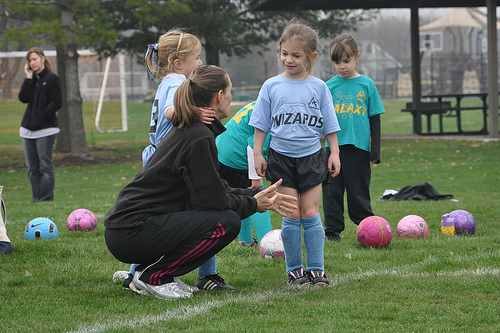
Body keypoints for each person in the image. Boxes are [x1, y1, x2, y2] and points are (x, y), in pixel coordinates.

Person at [105, 65, 298, 300]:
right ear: (219, 96)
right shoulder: (198, 137)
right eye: (229, 91)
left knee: (223, 216)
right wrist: (253, 205)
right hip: (131, 231)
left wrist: (252, 194)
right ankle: (154, 276)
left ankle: (159, 274)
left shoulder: (195, 131)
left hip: (126, 229)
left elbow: (212, 188)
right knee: (226, 222)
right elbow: (212, 201)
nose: (230, 96)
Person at [118, 29, 224, 293]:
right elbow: (169, 110)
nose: (200, 63)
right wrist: (194, 111)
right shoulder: (177, 83)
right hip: (169, 162)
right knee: (203, 212)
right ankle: (205, 274)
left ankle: (135, 274)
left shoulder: (167, 81)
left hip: (159, 156)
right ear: (178, 62)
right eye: (196, 58)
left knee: (159, 218)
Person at [249, 19, 341, 286]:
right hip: (281, 158)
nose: (288, 59)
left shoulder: (319, 87)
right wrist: (258, 153)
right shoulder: (271, 86)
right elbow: (260, 125)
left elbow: (330, 125)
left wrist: (334, 152)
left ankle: (316, 269)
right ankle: (294, 270)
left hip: (313, 157)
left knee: (310, 212)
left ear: (311, 57)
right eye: (284, 53)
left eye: (296, 55)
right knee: (292, 213)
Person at [322, 35, 385, 242]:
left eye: (346, 61)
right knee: (332, 191)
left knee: (359, 190)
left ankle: (366, 225)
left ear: (357, 57)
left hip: (359, 148)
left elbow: (375, 120)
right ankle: (332, 230)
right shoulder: (328, 87)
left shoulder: (367, 85)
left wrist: (374, 151)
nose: (342, 66)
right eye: (337, 62)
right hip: (333, 150)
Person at [215, 101, 272, 246]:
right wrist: (256, 179)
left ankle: (245, 241)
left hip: (221, 150)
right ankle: (267, 242)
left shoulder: (260, 103)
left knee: (241, 195)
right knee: (258, 195)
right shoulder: (272, 113)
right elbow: (253, 147)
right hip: (235, 155)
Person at [18, 47, 62, 202]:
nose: (32, 63)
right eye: (30, 60)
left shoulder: (52, 79)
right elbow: (23, 98)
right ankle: (36, 198)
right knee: (32, 168)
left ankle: (45, 198)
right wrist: (28, 78)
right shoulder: (31, 80)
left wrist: (40, 117)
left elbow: (57, 102)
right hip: (27, 131)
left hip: (46, 130)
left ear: (43, 58)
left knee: (45, 167)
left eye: (35, 59)